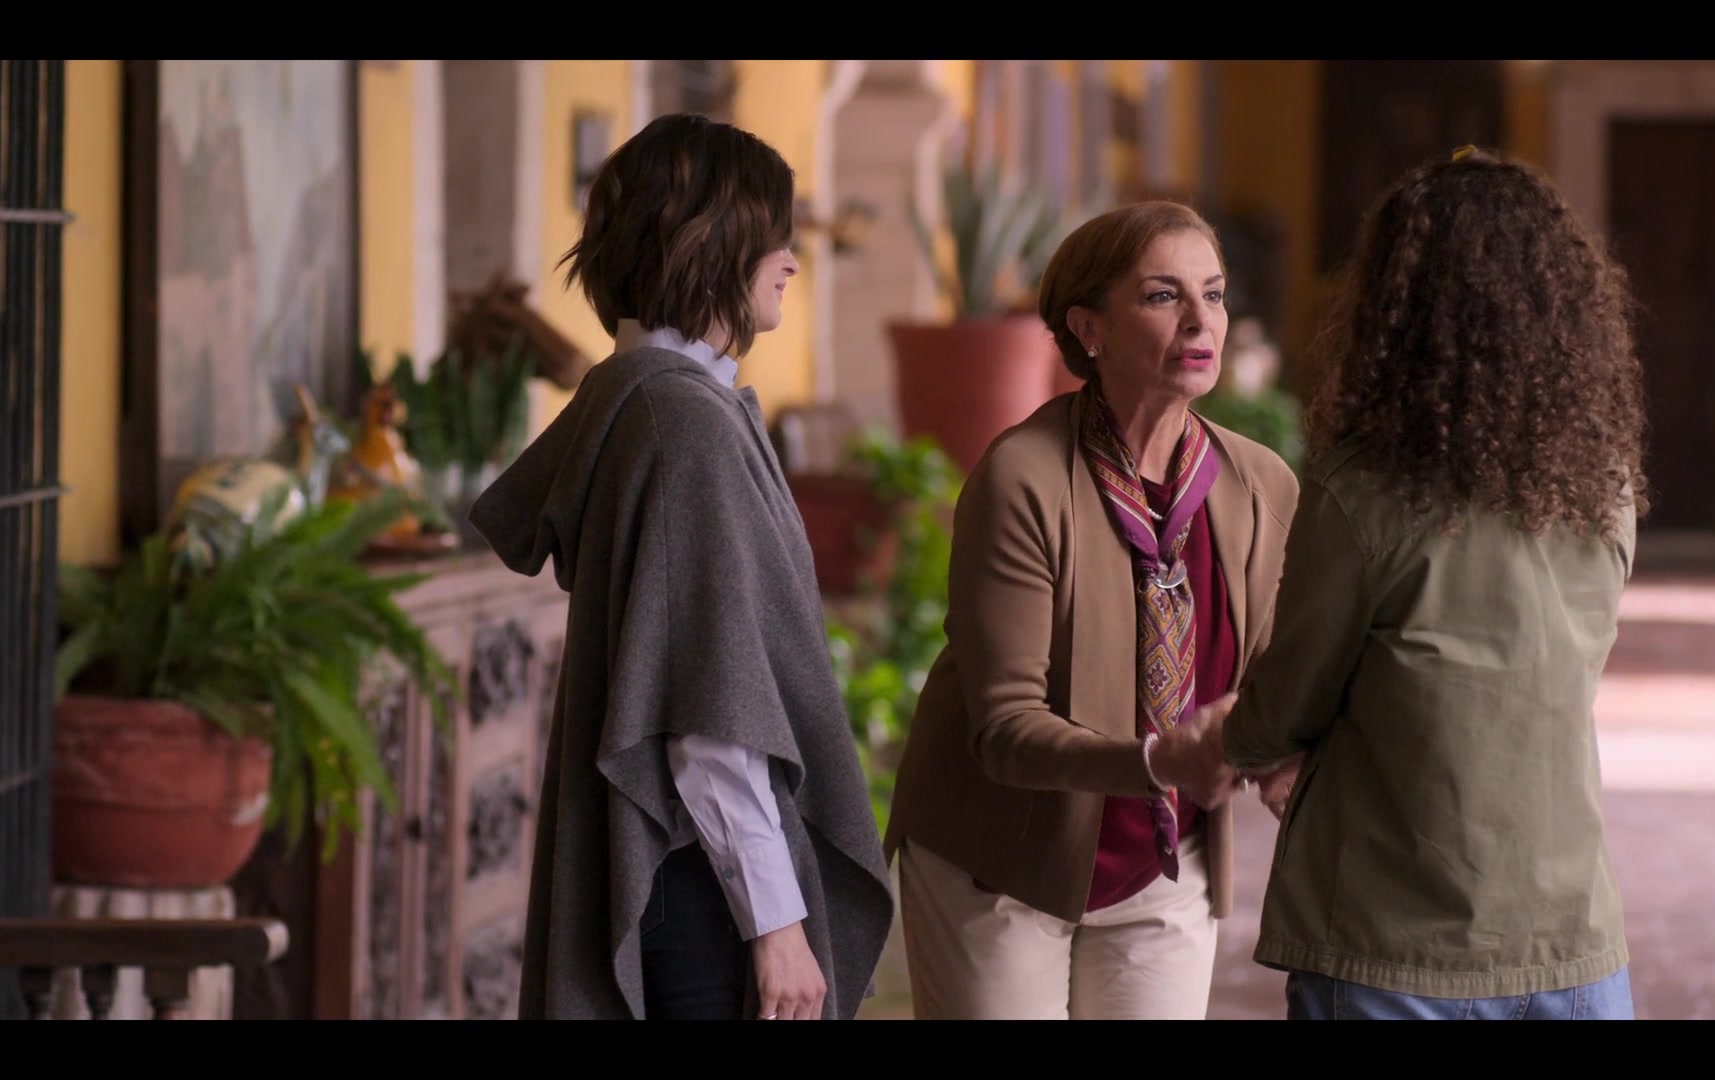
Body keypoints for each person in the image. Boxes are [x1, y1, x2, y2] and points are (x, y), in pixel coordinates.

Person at [1167, 146, 1650, 1020]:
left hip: (1391, 944)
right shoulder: (1602, 487)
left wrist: (1230, 740)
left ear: (1397, 310)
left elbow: (1290, 702)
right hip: (1570, 941)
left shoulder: (1366, 491)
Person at [468, 112, 894, 1021]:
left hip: (686, 869)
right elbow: (707, 713)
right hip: (703, 880)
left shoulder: (648, 403)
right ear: (713, 243)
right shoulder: (683, 426)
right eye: (773, 235)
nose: (791, 260)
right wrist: (776, 924)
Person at [882, 200, 1300, 1020]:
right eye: (1162, 295)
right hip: (1000, 863)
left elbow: (1268, 680)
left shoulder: (1261, 486)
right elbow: (1004, 727)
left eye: (1213, 294)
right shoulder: (1023, 478)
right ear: (1089, 328)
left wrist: (1278, 755)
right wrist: (1159, 762)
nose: (1199, 320)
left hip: (1164, 863)